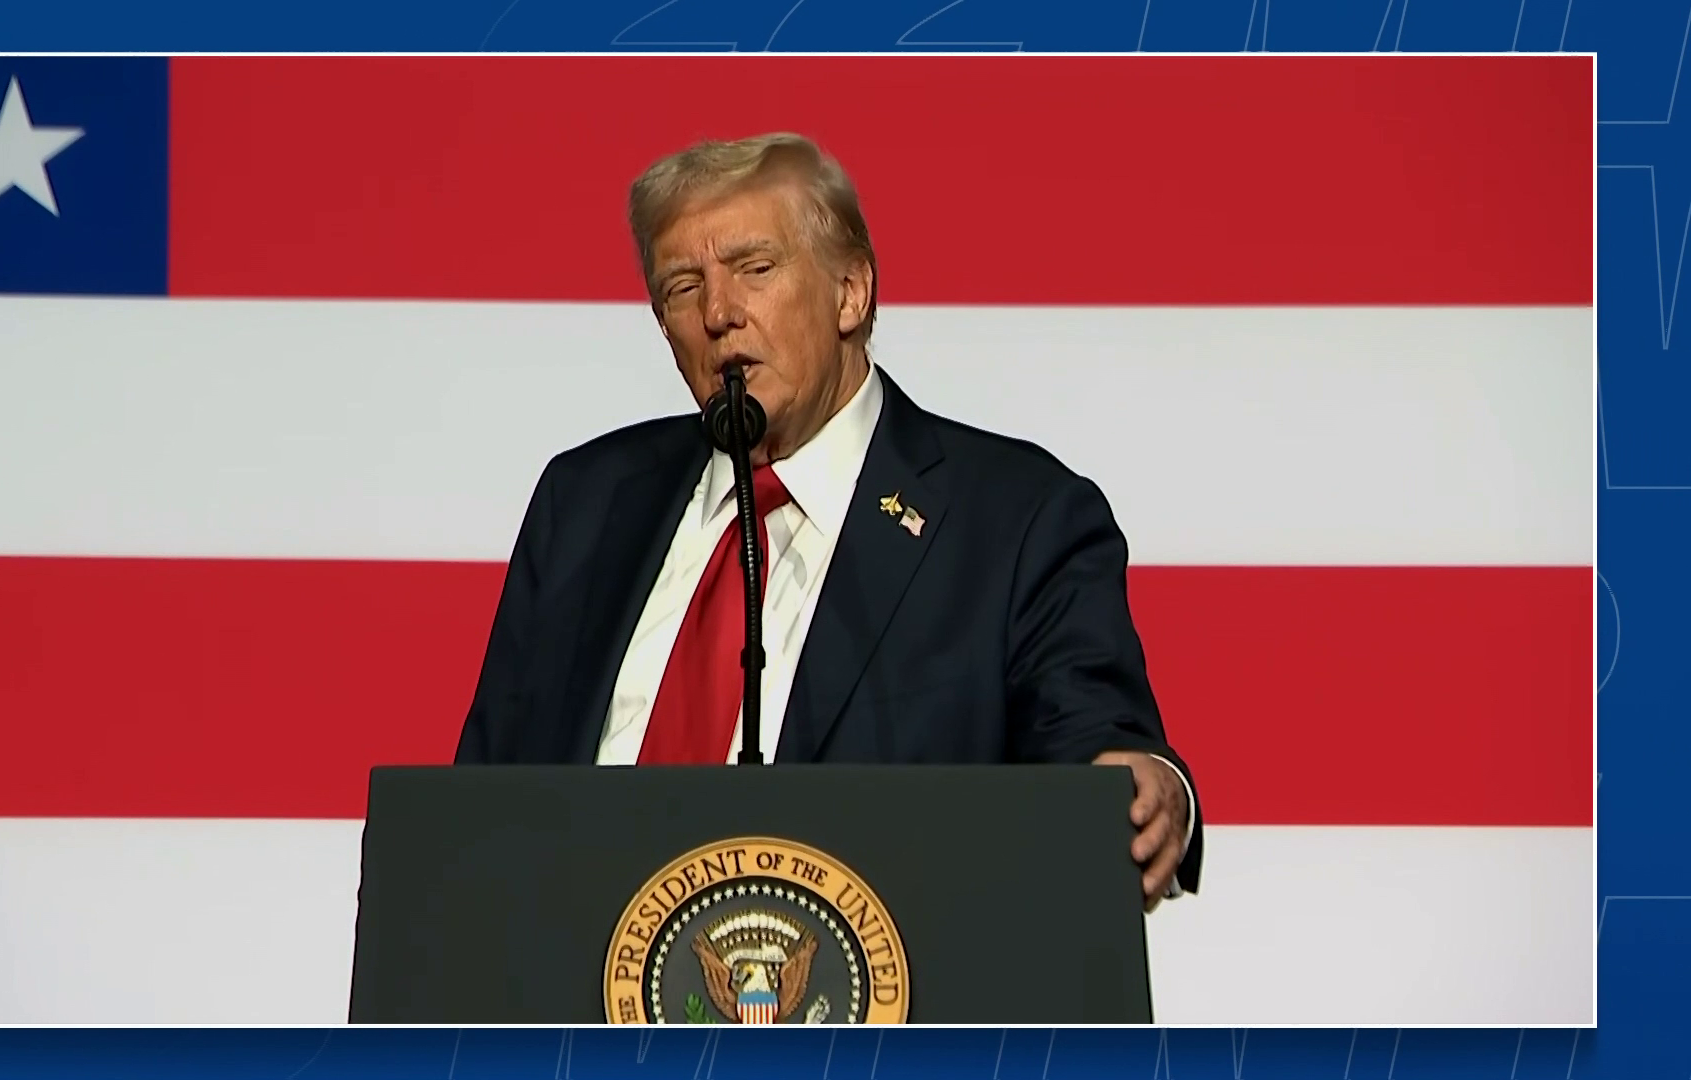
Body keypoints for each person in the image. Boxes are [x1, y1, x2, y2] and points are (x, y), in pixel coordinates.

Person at [453, 133, 1201, 907]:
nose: (718, 313)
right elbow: (471, 812)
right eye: (683, 287)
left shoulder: (1015, 520)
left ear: (851, 292)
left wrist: (1147, 785)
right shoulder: (586, 503)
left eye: (755, 268)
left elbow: (1094, 741)